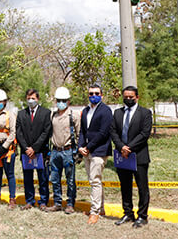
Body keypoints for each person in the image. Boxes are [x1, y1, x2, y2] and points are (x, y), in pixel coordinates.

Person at [111, 86, 152, 228]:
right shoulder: (117, 113)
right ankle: (128, 213)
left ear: (137, 97)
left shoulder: (145, 113)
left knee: (142, 187)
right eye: (126, 97)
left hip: (139, 156)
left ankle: (142, 216)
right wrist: (121, 147)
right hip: (122, 156)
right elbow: (113, 132)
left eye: (131, 97)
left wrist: (129, 148)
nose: (128, 99)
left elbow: (144, 133)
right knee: (125, 186)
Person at [78, 84, 113, 224]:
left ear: (102, 95)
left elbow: (103, 133)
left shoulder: (106, 111)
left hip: (99, 150)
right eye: (91, 94)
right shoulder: (85, 110)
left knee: (95, 180)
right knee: (95, 181)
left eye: (96, 93)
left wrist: (88, 146)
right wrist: (81, 146)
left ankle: (95, 212)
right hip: (87, 151)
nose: (93, 96)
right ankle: (100, 208)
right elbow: (82, 131)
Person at [16, 88, 52, 211]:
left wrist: (35, 148)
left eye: (33, 98)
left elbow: (46, 132)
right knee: (27, 178)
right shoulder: (21, 114)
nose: (31, 101)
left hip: (40, 151)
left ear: (38, 99)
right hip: (26, 153)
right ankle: (29, 200)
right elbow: (19, 133)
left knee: (42, 178)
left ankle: (43, 201)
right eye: (29, 98)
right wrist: (26, 148)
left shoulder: (46, 113)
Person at [47, 87, 80, 214]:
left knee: (70, 179)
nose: (61, 102)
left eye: (64, 100)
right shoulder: (53, 115)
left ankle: (70, 203)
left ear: (68, 101)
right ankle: (57, 203)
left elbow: (79, 134)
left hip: (68, 152)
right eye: (59, 100)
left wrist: (78, 152)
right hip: (55, 151)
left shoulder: (73, 116)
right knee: (55, 178)